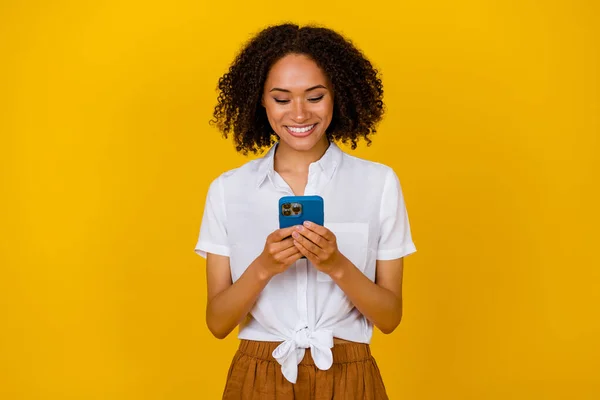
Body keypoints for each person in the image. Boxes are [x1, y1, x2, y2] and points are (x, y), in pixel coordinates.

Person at [195, 23, 417, 399]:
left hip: (351, 375)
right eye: (281, 99)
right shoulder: (228, 190)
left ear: (338, 97)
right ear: (260, 101)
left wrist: (336, 265)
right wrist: (264, 266)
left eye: (314, 97)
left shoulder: (378, 184)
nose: (298, 114)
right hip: (259, 374)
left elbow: (390, 317)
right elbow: (217, 323)